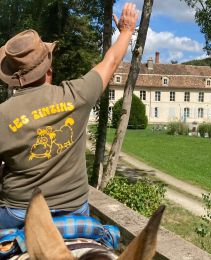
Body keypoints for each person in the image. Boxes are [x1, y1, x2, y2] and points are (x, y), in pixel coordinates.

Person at [0, 3, 138, 229]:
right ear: (48, 70)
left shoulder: (2, 115)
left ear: (13, 80)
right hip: (74, 208)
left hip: (19, 214)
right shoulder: (76, 95)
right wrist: (126, 31)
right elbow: (110, 61)